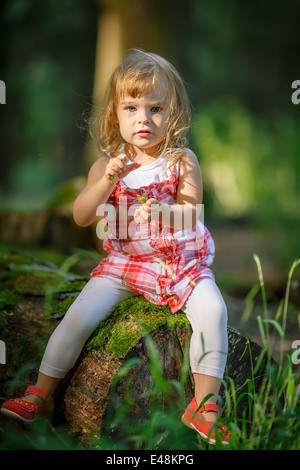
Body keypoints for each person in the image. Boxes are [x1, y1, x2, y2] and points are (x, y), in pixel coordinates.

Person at [1, 50, 230, 445]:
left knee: (214, 309)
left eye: (156, 108)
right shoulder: (107, 165)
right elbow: (81, 217)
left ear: (172, 113)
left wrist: (164, 211)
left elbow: (192, 215)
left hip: (178, 264)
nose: (144, 118)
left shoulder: (181, 161)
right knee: (77, 317)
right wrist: (106, 181)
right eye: (132, 107)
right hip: (125, 264)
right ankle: (40, 392)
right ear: (116, 114)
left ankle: (205, 404)